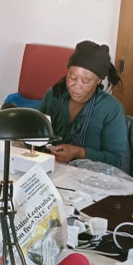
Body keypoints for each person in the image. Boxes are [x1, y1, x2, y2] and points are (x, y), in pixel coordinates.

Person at [39, 40, 127, 169]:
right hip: (51, 170)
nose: (76, 86)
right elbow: (35, 136)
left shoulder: (111, 108)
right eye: (72, 77)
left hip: (89, 181)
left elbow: (116, 160)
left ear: (99, 80)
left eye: (86, 81)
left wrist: (79, 152)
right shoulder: (53, 96)